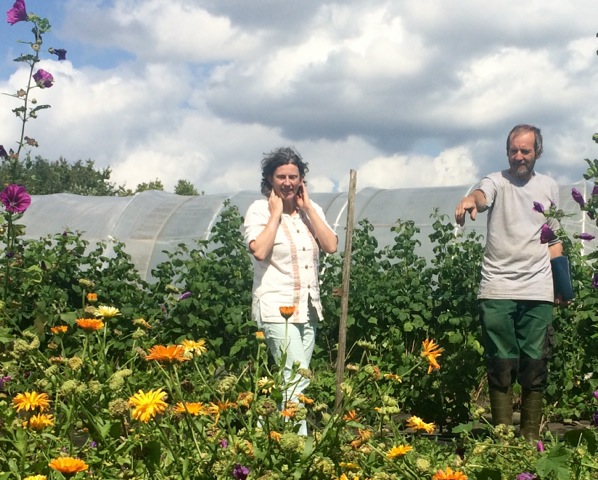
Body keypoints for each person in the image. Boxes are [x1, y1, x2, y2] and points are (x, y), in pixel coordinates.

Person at [454, 124, 563, 441]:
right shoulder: (495, 181)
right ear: (507, 152)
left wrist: (562, 286)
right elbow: (481, 195)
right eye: (513, 150)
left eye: (525, 151)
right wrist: (470, 201)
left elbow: (554, 238)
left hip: (538, 289)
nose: (518, 156)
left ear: (537, 153)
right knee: (501, 366)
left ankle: (530, 442)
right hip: (498, 287)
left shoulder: (549, 187)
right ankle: (502, 440)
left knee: (535, 366)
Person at [243, 147, 337, 435]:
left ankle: (263, 436)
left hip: (308, 308)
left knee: (293, 381)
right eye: (281, 176)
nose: (287, 182)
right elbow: (259, 251)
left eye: (293, 176)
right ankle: (298, 447)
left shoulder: (313, 211)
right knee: (297, 380)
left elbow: (331, 245)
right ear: (270, 179)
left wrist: (308, 209)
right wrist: (275, 216)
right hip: (275, 307)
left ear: (301, 180)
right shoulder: (259, 210)